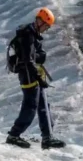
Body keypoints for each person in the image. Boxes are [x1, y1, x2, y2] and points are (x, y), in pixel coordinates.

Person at [5, 8, 66, 150]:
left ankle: (47, 137)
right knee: (30, 106)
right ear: (40, 22)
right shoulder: (28, 36)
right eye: (46, 26)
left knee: (43, 105)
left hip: (32, 73)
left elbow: (35, 57)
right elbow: (28, 61)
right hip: (28, 76)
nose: (46, 29)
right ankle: (14, 135)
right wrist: (39, 78)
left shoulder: (31, 33)